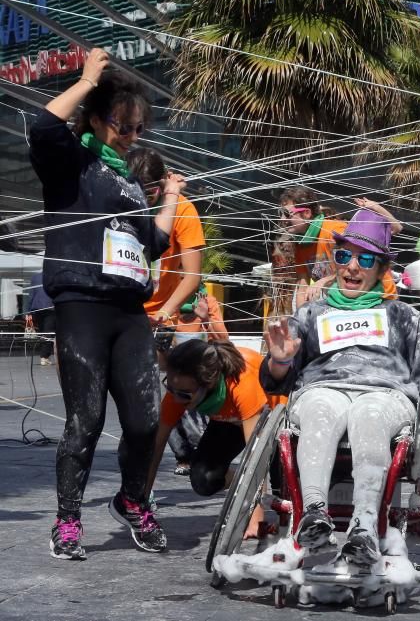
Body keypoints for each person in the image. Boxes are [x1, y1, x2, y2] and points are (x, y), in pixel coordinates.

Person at [30, 47, 182, 559]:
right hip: (82, 307)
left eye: (140, 129)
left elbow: (154, 244)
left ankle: (132, 500)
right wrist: (88, 78)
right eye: (124, 126)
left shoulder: (128, 180)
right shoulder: (71, 163)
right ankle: (68, 520)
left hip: (128, 312)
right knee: (86, 420)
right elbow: (44, 128)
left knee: (143, 420)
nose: (133, 136)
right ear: (97, 119)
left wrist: (171, 198)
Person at [261, 209, 420, 566]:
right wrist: (281, 361)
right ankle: (313, 516)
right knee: (318, 406)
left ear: (381, 270)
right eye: (344, 255)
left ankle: (365, 527)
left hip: (386, 393)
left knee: (370, 413)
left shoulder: (403, 316)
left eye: (365, 259)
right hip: (323, 387)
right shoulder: (309, 315)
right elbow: (277, 380)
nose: (352, 266)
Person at [147, 340, 278, 537]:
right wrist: (139, 503)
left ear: (208, 383)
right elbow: (156, 446)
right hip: (228, 420)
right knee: (203, 480)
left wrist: (256, 519)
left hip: (272, 414)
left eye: (183, 395)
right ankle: (238, 479)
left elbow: (256, 455)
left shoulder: (241, 384)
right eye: (170, 390)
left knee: (281, 488)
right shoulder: (181, 388)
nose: (175, 400)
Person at [281, 188, 399, 307]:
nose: (282, 219)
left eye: (287, 214)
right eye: (279, 214)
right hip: (348, 301)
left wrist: (376, 208)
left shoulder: (332, 230)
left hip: (381, 298)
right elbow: (302, 287)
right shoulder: (300, 246)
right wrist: (301, 316)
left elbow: (394, 229)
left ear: (306, 213)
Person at [128, 148, 205, 327]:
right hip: (119, 308)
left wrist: (164, 313)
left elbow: (192, 275)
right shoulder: (120, 202)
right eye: (136, 192)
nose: (142, 200)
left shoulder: (183, 209)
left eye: (148, 193)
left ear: (163, 182)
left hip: (160, 313)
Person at [26, 272, 55, 366]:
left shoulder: (35, 277)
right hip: (50, 307)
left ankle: (44, 355)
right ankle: (44, 357)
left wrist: (28, 311)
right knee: (48, 332)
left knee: (43, 331)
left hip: (37, 308)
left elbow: (31, 295)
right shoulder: (53, 276)